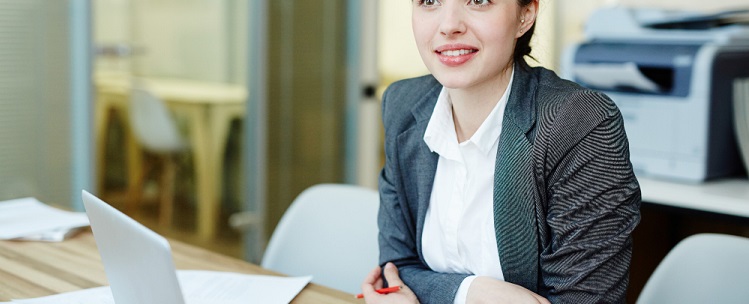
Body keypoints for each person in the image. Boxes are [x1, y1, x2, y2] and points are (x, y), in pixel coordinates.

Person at [361, 0, 641, 303]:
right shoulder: (402, 104)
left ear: (525, 15)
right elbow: (393, 270)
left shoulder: (578, 123)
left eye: (479, 0)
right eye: (429, 1)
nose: (449, 24)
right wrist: (473, 293)